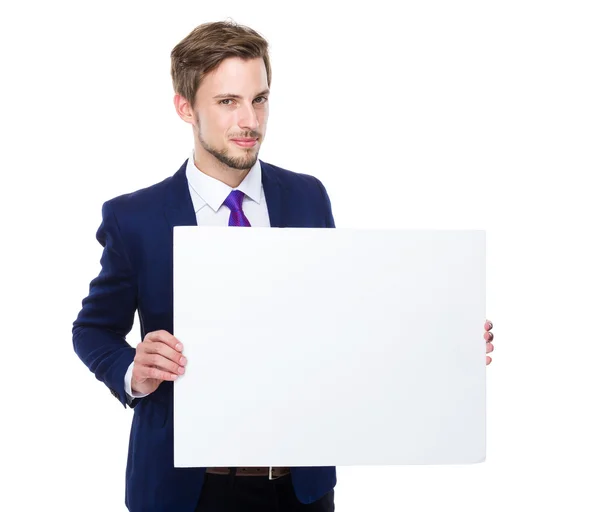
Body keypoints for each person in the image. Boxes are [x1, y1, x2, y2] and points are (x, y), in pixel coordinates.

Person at [72, 20, 495, 512]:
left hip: (299, 488)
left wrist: (443, 345)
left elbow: (347, 319)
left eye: (259, 99)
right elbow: (92, 329)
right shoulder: (134, 217)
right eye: (227, 102)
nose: (249, 120)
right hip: (183, 490)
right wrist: (133, 371)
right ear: (185, 107)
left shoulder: (306, 197)